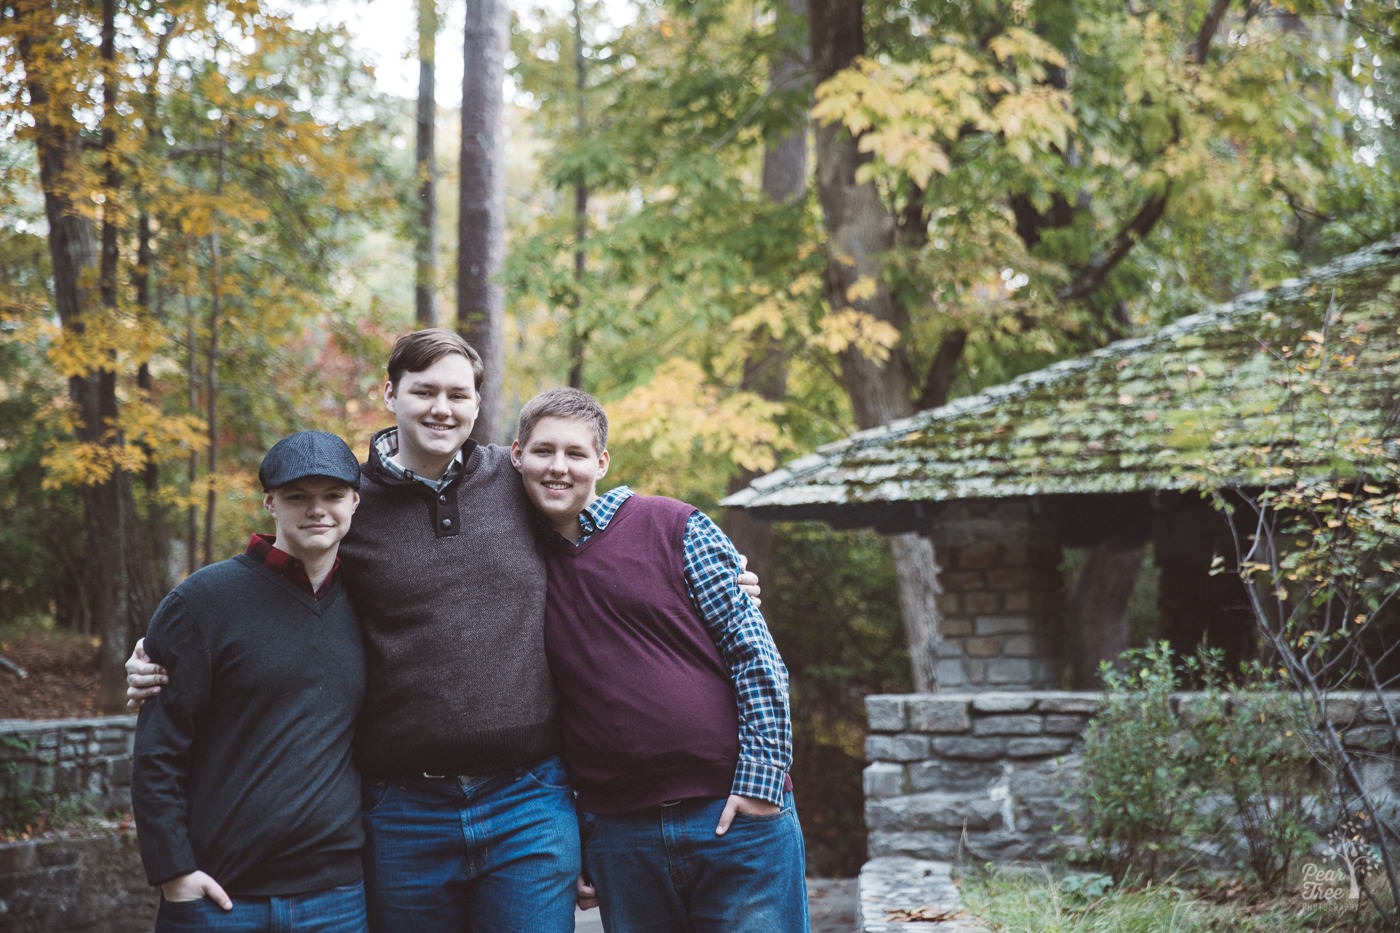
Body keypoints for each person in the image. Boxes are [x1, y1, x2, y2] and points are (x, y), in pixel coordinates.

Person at [126, 329, 762, 931]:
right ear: (390, 395)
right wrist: (165, 655)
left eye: (458, 394)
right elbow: (286, 591)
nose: (441, 408)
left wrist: (710, 570)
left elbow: (599, 524)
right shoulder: (350, 501)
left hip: (529, 799)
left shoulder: (515, 482)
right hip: (403, 810)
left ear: (477, 404)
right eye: (424, 390)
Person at [510, 387, 809, 932]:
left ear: (601, 462)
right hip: (623, 836)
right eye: (543, 451)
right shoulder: (517, 558)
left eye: (575, 454)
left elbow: (755, 654)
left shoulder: (673, 526)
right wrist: (582, 835)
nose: (559, 467)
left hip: (734, 815)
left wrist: (761, 783)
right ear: (516, 457)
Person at [131, 430, 367, 932]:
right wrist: (174, 872)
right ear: (269, 503)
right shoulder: (202, 603)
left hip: (336, 898)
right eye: (297, 497)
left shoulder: (374, 602)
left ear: (355, 501)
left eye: (332, 496)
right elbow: (159, 751)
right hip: (220, 898)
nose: (316, 510)